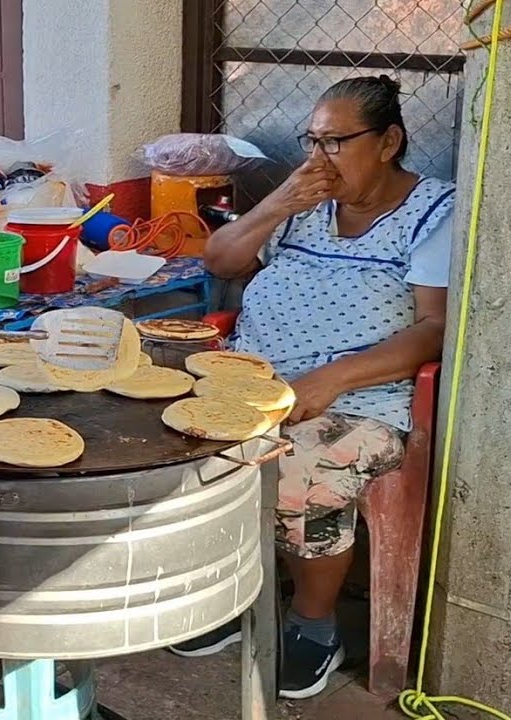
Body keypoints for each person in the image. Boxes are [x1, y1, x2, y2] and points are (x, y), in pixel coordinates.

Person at [177, 75, 452, 700]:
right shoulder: (300, 205)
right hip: (251, 380)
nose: (316, 158)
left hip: (360, 396)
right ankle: (229, 594)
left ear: (387, 143)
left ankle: (313, 624)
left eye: (335, 142)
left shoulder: (434, 211)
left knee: (300, 470)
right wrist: (277, 203)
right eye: (311, 141)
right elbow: (220, 262)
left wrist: (327, 380)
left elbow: (437, 327)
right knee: (173, 444)